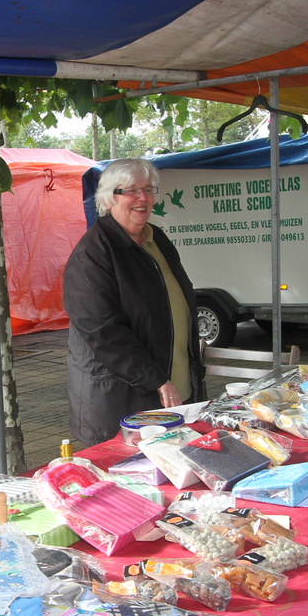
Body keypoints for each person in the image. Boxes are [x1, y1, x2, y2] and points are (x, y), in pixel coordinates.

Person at [62, 158, 205, 447]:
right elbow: (102, 331)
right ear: (108, 199)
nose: (143, 198)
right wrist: (156, 380)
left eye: (148, 189)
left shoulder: (157, 238)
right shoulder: (93, 253)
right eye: (130, 190)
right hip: (124, 400)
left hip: (173, 394)